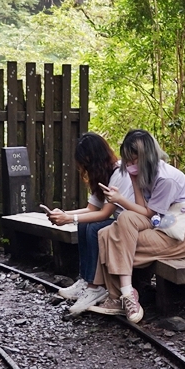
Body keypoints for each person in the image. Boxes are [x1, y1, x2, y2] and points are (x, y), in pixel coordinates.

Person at [89, 129, 185, 323]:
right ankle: (120, 296)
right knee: (108, 231)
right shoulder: (142, 174)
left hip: (182, 232)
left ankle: (122, 296)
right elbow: (143, 209)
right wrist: (133, 181)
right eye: (128, 161)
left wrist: (120, 200)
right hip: (158, 224)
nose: (131, 165)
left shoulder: (166, 178)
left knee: (113, 238)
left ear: (147, 156)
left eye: (135, 161)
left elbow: (150, 214)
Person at [46, 132, 134, 314]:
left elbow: (104, 214)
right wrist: (64, 214)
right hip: (115, 220)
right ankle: (86, 280)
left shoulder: (119, 174)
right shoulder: (102, 175)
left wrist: (69, 218)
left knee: (93, 227)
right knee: (84, 224)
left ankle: (96, 287)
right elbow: (91, 208)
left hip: (128, 225)